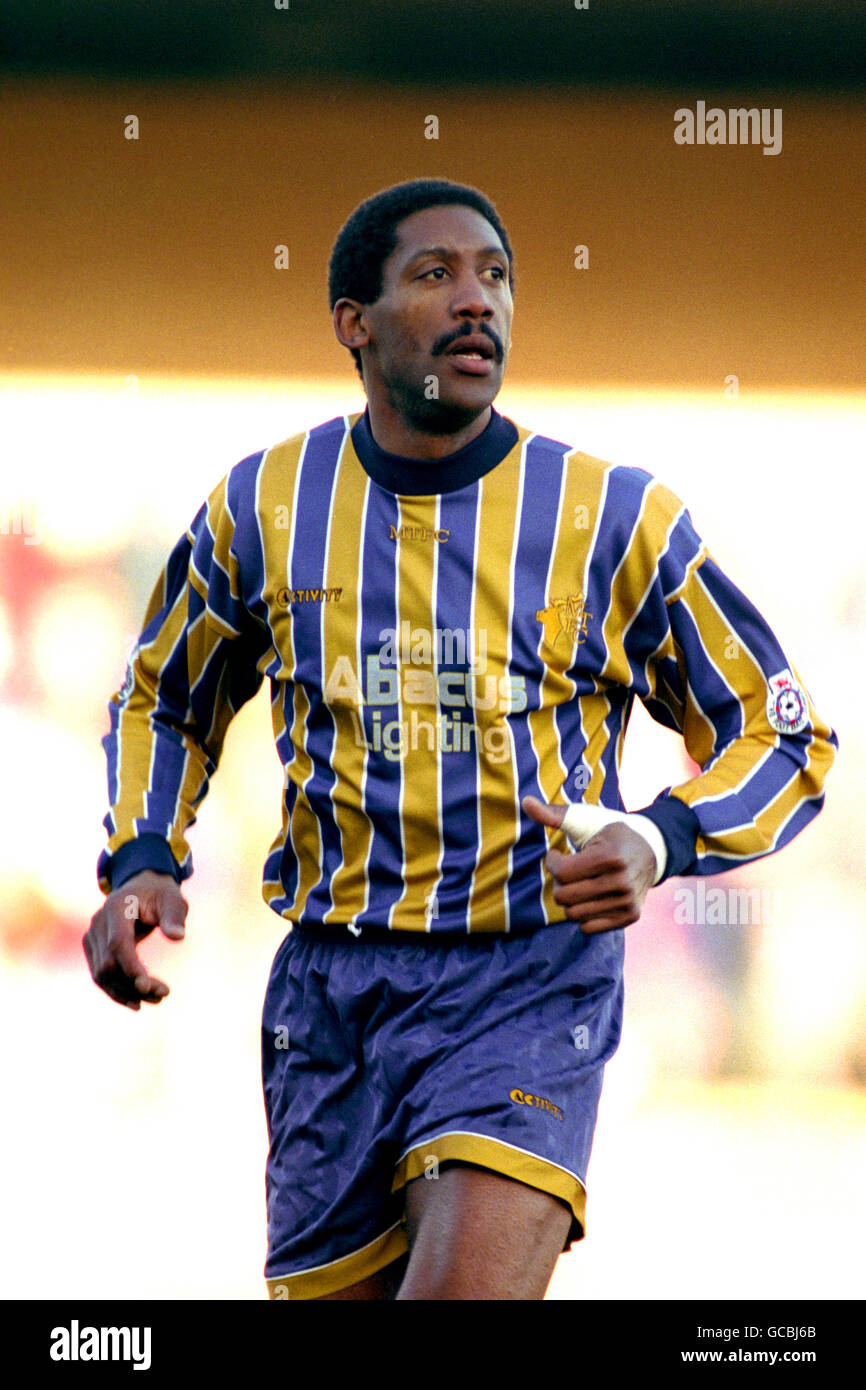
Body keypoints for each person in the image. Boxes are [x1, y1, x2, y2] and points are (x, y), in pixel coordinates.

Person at [83, 178, 836, 1301]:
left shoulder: (611, 517)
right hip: (329, 995)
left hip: (526, 978)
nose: (475, 300)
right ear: (354, 320)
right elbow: (165, 697)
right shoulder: (264, 508)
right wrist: (144, 857)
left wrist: (657, 836)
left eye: (494, 275)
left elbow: (784, 737)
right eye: (434, 275)